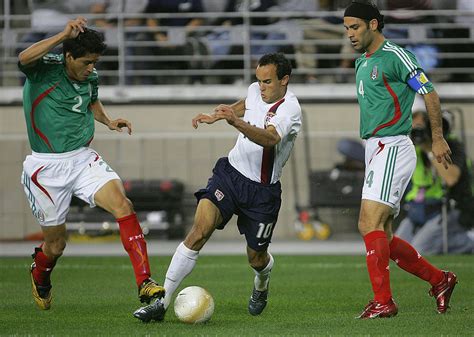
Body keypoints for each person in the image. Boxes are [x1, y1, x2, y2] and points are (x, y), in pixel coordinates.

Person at [133, 52, 302, 322]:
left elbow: (270, 139)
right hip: (230, 175)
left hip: (262, 193)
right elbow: (247, 103)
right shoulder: (256, 91)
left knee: (256, 258)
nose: (261, 87)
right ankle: (161, 304)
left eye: (267, 82)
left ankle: (262, 280)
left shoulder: (290, 109)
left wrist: (235, 122)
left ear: (284, 80)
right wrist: (218, 115)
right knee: (199, 231)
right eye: (258, 80)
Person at [18, 17, 164, 311]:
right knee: (56, 245)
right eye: (86, 62)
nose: (91, 68)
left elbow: (90, 102)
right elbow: (22, 57)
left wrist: (108, 121)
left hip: (83, 159)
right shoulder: (42, 71)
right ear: (68, 56)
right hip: (46, 168)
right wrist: (62, 34)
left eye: (95, 62)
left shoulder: (90, 77)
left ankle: (145, 283)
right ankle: (40, 271)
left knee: (123, 205)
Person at [343, 0, 458, 319]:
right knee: (385, 235)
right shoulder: (361, 62)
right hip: (375, 148)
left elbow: (429, 92)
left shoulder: (395, 56)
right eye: (346, 28)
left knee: (368, 223)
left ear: (373, 25)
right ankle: (440, 280)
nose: (349, 34)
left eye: (355, 27)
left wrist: (437, 137)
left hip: (393, 145)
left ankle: (384, 301)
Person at [395, 110, 474, 254]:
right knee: (395, 250)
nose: (417, 133)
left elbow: (451, 178)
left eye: (420, 128)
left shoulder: (451, 144)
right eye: (413, 129)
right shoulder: (411, 147)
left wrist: (430, 149)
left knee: (419, 251)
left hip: (448, 209)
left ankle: (467, 241)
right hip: (418, 209)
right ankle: (441, 240)